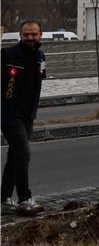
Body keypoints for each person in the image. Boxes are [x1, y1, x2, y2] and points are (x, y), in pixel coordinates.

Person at [1, 20, 46, 216]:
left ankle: (3, 199)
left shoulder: (40, 56)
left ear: (40, 35)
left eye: (33, 34)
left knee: (14, 156)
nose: (29, 38)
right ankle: (25, 199)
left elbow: (39, 81)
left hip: (28, 115)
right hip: (9, 114)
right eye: (26, 34)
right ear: (20, 35)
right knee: (23, 154)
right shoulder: (7, 55)